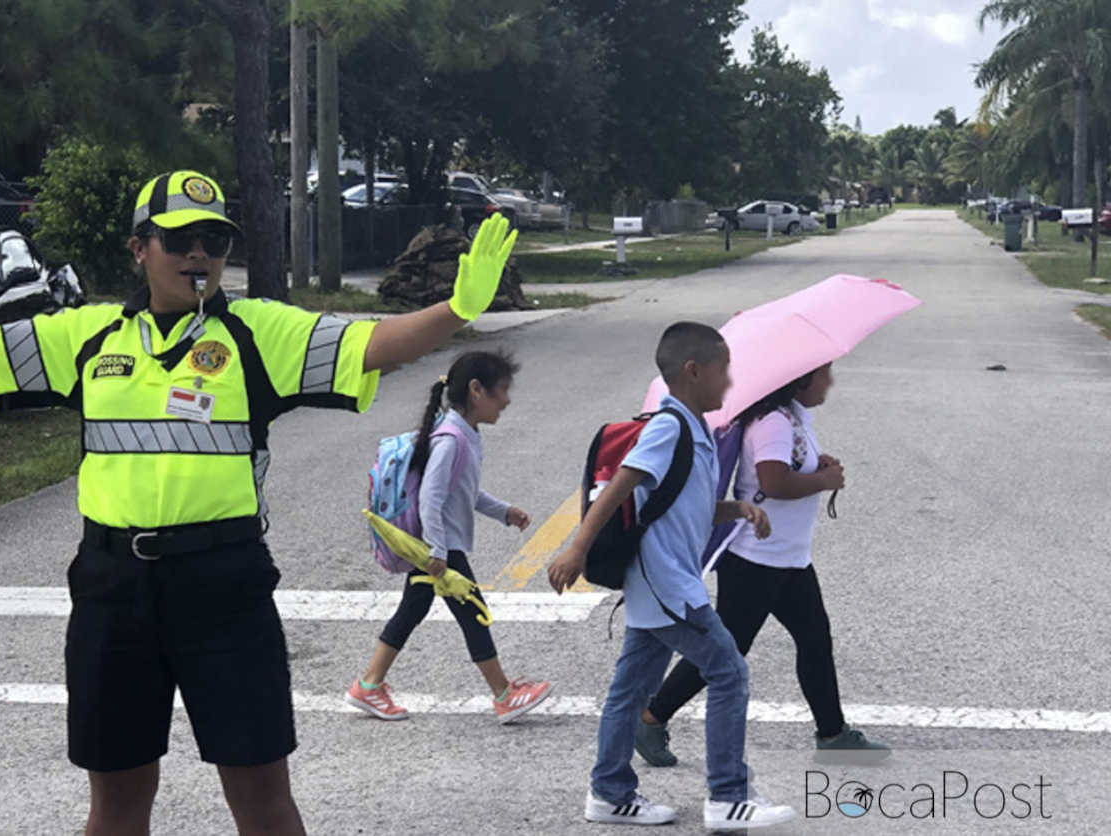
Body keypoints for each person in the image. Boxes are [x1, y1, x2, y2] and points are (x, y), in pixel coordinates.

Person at [0, 170, 518, 836]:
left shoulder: (258, 333)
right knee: (117, 806)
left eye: (214, 242)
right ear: (139, 248)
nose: (198, 254)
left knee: (265, 804)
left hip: (224, 586)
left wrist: (457, 309)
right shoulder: (89, 335)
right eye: (179, 238)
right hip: (112, 589)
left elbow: (375, 344)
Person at [547, 322, 797, 830]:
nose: (729, 383)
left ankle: (609, 792)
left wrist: (739, 510)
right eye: (723, 371)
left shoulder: (695, 428)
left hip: (662, 582)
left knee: (631, 690)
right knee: (729, 672)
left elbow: (690, 507)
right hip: (667, 584)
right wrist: (577, 547)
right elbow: (624, 483)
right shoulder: (670, 427)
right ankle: (727, 797)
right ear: (693, 371)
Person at [635, 363, 890, 767]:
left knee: (814, 639)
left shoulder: (789, 416)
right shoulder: (773, 421)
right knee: (729, 648)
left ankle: (833, 732)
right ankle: (650, 717)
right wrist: (824, 482)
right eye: (824, 373)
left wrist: (816, 466)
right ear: (801, 379)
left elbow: (786, 469)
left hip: (787, 559)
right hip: (758, 561)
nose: (830, 381)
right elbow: (773, 483)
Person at [345, 349, 554, 724]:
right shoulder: (451, 438)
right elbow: (431, 496)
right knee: (473, 614)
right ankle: (504, 694)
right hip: (439, 548)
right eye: (501, 390)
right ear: (477, 390)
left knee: (413, 609)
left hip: (439, 546)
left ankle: (370, 684)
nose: (506, 400)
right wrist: (438, 549)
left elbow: (466, 493)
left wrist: (504, 511)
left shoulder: (466, 434)